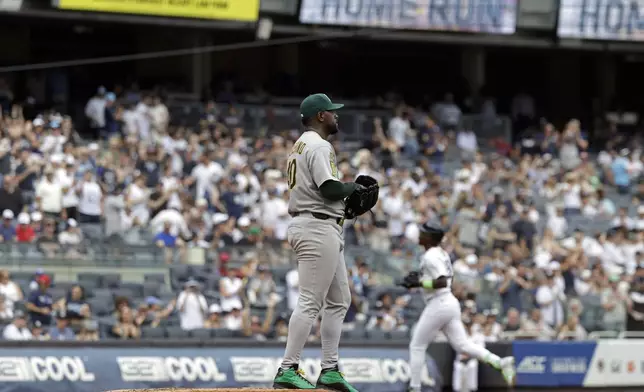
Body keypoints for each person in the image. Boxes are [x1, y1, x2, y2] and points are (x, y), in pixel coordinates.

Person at [273, 94, 361, 391]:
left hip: (320, 224)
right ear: (321, 115)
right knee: (311, 301)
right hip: (316, 226)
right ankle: (288, 368)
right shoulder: (319, 144)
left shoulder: (301, 144)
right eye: (332, 112)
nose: (337, 116)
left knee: (339, 300)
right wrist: (353, 188)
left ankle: (330, 369)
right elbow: (330, 187)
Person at [398, 222, 515, 392]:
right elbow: (438, 279)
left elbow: (442, 281)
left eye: (423, 233)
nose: (420, 235)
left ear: (430, 238)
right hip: (448, 302)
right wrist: (418, 281)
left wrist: (420, 282)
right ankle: (500, 362)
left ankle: (414, 388)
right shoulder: (440, 253)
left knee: (417, 345)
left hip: (439, 302)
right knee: (463, 345)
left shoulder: (431, 255)